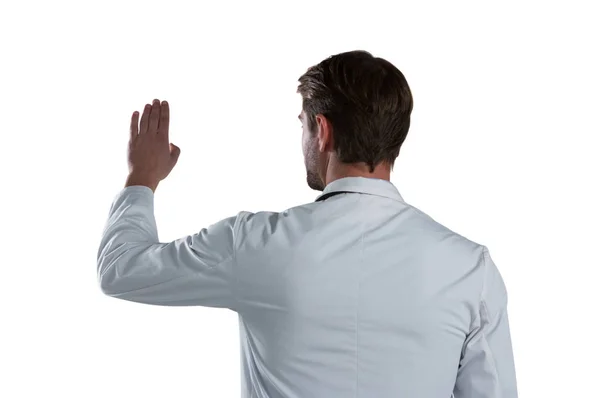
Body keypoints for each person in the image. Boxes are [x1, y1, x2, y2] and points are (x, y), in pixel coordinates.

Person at [97, 50, 518, 398]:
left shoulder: (253, 244)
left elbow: (122, 270)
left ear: (322, 130)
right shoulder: (469, 268)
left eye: (302, 124)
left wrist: (142, 178)